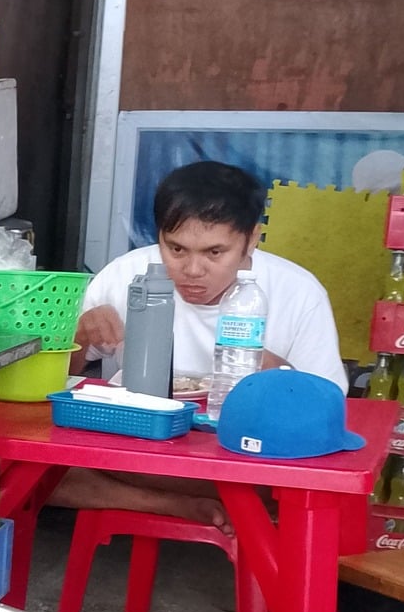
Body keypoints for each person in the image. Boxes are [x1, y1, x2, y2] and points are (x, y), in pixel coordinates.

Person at [57, 160, 345, 527]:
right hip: (138, 450)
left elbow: (330, 407)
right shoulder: (126, 274)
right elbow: (59, 376)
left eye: (214, 253)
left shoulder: (298, 292)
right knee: (3, 466)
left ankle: (171, 502)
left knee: (300, 486)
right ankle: (180, 506)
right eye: (176, 249)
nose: (192, 271)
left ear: (252, 238)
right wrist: (80, 338)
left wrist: (281, 375)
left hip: (239, 457)